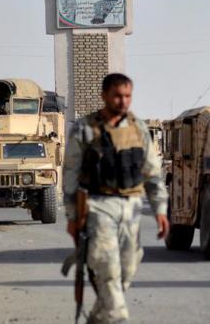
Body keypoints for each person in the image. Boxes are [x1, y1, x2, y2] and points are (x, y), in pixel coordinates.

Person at [64, 73, 169, 324]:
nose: (123, 101)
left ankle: (99, 319)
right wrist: (72, 216)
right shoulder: (85, 129)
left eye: (127, 96)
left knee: (126, 273)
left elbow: (152, 172)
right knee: (108, 272)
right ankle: (117, 318)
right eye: (117, 96)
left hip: (132, 207)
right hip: (98, 206)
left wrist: (160, 210)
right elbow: (71, 174)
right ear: (104, 96)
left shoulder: (138, 127)